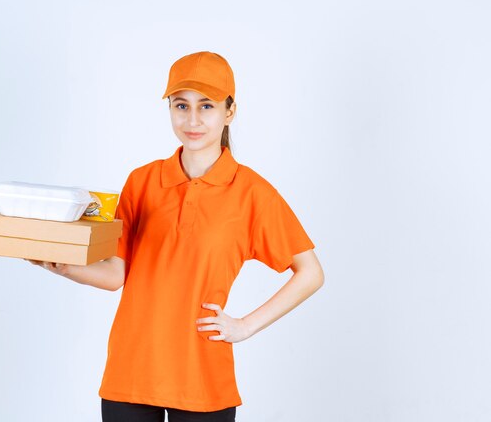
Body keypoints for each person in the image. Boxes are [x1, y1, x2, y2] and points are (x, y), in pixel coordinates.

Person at [27, 51, 325, 422]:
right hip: (132, 369)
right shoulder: (142, 181)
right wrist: (62, 266)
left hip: (201, 374)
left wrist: (244, 326)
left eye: (207, 106)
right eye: (181, 105)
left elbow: (310, 272)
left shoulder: (252, 193)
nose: (193, 119)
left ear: (230, 112)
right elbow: (116, 275)